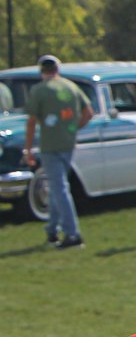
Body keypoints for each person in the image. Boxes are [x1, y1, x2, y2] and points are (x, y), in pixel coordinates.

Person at [23, 54, 93, 249]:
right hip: (68, 143)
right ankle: (52, 230)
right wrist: (73, 127)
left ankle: (73, 234)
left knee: (60, 188)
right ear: (58, 69)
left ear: (41, 71)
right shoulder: (71, 87)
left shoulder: (39, 90)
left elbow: (31, 121)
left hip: (50, 145)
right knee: (56, 187)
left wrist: (28, 149)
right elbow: (88, 112)